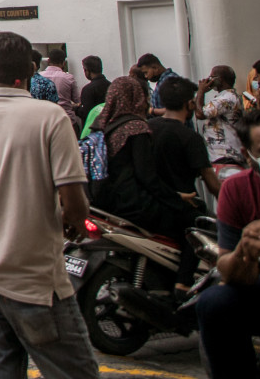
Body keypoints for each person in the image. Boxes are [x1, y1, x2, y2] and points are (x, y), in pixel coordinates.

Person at [0, 31, 98, 379]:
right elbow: (74, 202)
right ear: (31, 70)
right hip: (35, 280)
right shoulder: (50, 118)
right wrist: (70, 221)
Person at [195, 107, 260, 379]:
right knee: (214, 302)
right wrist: (246, 249)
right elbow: (228, 270)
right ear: (248, 156)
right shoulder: (237, 189)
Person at [95, 77, 199, 275]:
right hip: (135, 204)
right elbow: (147, 177)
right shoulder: (135, 128)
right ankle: (183, 283)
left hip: (108, 203)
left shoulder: (105, 127)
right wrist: (176, 198)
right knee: (192, 224)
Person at [147, 76, 221, 285]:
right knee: (202, 230)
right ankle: (183, 283)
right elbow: (211, 182)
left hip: (148, 203)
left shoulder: (147, 128)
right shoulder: (189, 137)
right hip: (180, 207)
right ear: (190, 104)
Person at [198, 65, 249, 174]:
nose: (209, 80)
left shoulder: (226, 98)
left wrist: (201, 91)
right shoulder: (226, 96)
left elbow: (200, 114)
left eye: (211, 77)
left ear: (219, 79)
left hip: (226, 155)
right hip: (222, 155)